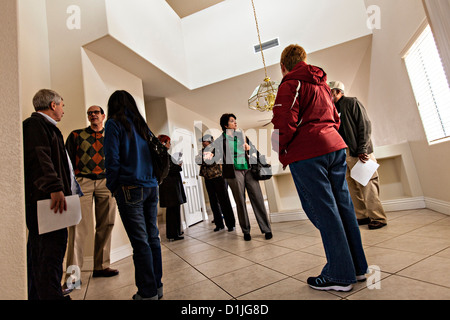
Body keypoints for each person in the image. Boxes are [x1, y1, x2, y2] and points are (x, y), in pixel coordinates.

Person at [271, 45, 368, 292]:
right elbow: (336, 117)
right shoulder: (323, 84)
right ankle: (357, 268)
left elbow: (284, 122)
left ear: (284, 66)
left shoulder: (289, 83)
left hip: (308, 152)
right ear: (304, 60)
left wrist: (281, 150)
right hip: (335, 147)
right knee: (343, 206)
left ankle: (339, 274)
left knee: (324, 210)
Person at [104, 90, 162, 300]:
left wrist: (113, 186)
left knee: (140, 242)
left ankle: (147, 293)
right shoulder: (142, 125)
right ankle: (157, 287)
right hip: (151, 186)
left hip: (130, 188)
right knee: (152, 238)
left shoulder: (113, 124)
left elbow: (112, 159)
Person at [23, 89, 74, 300]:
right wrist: (54, 187)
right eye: (61, 104)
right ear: (53, 105)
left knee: (44, 254)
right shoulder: (35, 125)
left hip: (51, 202)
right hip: (48, 203)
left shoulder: (48, 128)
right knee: (49, 255)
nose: (63, 109)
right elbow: (39, 158)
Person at [65, 105, 119, 285]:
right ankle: (73, 277)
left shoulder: (111, 135)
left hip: (107, 182)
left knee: (107, 223)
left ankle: (101, 266)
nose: (93, 115)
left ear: (103, 116)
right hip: (83, 183)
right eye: (90, 113)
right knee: (77, 227)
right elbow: (68, 162)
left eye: (96, 112)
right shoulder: (76, 135)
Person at [329, 81, 387, 230]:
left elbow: (365, 125)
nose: (329, 95)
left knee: (367, 184)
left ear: (338, 91)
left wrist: (363, 149)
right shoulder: (332, 109)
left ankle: (378, 217)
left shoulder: (352, 102)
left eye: (331, 92)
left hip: (359, 152)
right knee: (351, 186)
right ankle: (362, 215)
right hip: (343, 154)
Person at [209, 114, 272, 241]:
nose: (235, 123)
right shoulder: (220, 140)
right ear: (226, 126)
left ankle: (266, 229)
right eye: (232, 121)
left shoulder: (242, 136)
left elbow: (254, 150)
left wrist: (249, 149)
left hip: (249, 170)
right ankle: (246, 231)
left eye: (235, 120)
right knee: (240, 202)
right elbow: (213, 155)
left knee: (258, 198)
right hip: (233, 173)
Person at [195, 134, 236, 232]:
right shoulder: (202, 152)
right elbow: (198, 161)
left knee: (224, 200)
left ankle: (230, 224)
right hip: (208, 178)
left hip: (219, 177)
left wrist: (208, 159)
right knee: (213, 202)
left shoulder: (217, 149)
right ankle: (219, 224)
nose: (203, 143)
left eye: (204, 141)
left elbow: (215, 161)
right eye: (202, 141)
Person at [158, 134, 186, 241]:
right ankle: (173, 234)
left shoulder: (164, 154)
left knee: (174, 209)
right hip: (170, 186)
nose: (170, 144)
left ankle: (176, 232)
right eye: (168, 142)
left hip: (171, 185)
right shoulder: (162, 155)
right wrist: (178, 165)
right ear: (164, 143)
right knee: (172, 210)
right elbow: (168, 170)